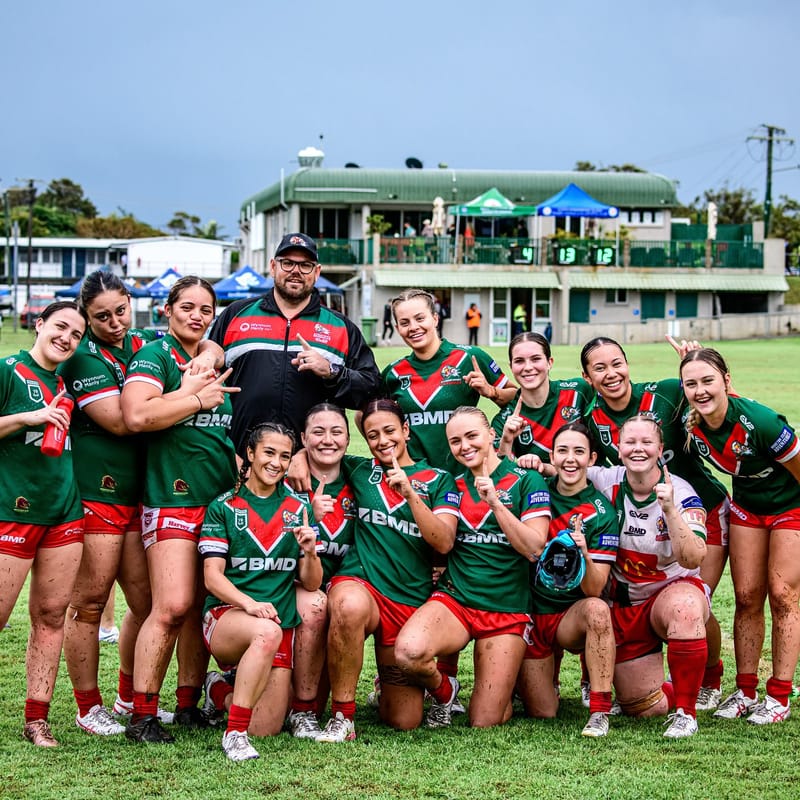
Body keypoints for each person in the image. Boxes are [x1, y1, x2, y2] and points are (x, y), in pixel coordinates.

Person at [580, 336, 729, 710]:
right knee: (625, 592)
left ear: (628, 363)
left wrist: (694, 364)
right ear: (587, 377)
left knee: (696, 600)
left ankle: (709, 677)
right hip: (641, 513)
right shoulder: (589, 413)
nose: (611, 374)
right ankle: (605, 675)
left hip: (699, 508)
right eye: (599, 368)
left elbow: (720, 403)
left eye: (617, 363)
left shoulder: (664, 391)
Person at [120, 276, 239, 743]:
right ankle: (142, 715)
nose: (196, 315)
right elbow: (137, 415)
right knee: (169, 606)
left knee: (196, 610)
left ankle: (187, 705)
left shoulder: (206, 358)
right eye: (186, 306)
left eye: (205, 309)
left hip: (216, 501)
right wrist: (194, 399)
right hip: (171, 498)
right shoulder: (155, 355)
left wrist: (209, 360)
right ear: (167, 310)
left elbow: (215, 360)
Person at [394, 407, 550, 729]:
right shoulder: (451, 484)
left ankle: (506, 684)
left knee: (484, 720)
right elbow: (443, 540)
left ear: (491, 435)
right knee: (409, 652)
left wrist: (496, 504)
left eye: (471, 436)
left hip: (505, 606)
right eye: (455, 441)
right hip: (458, 599)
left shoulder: (526, 480)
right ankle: (446, 690)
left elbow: (534, 548)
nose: (464, 446)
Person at [316, 398, 459, 742]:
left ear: (406, 431)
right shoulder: (361, 470)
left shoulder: (438, 479)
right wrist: (295, 461)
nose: (382, 441)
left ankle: (442, 691)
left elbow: (443, 542)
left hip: (407, 599)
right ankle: (342, 717)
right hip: (361, 582)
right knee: (347, 605)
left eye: (390, 431)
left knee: (403, 720)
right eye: (373, 434)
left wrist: (411, 494)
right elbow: (318, 454)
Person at [680, 348, 800, 724]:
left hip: (790, 506)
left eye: (708, 380)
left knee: (782, 595)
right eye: (691, 383)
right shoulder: (690, 423)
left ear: (727, 381)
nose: (700, 390)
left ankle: (779, 695)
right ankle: (745, 691)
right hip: (748, 508)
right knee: (747, 596)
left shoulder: (762, 422)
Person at [199, 423, 322, 761]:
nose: (276, 463)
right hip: (228, 617)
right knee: (267, 632)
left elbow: (311, 584)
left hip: (273, 622)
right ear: (250, 454)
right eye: (268, 452)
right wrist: (249, 604)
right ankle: (234, 735)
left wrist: (310, 552)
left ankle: (218, 688)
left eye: (284, 456)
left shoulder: (298, 508)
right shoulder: (223, 507)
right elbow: (213, 578)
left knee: (266, 725)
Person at [589, 415, 708, 739]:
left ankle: (686, 712)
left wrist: (669, 510)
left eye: (646, 443)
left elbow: (694, 556)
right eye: (630, 442)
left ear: (660, 449)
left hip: (670, 591)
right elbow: (563, 469)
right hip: (626, 603)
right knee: (643, 706)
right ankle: (671, 687)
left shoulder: (680, 492)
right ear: (618, 446)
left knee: (685, 608)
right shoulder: (604, 479)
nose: (637, 449)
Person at [0, 301, 86, 747]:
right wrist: (25, 418)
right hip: (11, 510)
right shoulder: (8, 370)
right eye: (60, 327)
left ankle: (37, 719)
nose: (67, 338)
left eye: (75, 334)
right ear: (39, 324)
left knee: (51, 615)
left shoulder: (66, 385)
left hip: (64, 513)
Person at [209, 233, 380, 454]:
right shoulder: (236, 315)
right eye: (287, 263)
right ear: (273, 267)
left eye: (305, 265)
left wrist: (332, 372)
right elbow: (207, 377)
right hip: (241, 460)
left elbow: (371, 389)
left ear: (317, 272)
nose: (296, 271)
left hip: (310, 466)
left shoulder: (341, 327)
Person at [517, 422, 619, 738]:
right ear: (552, 455)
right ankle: (542, 678)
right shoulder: (535, 490)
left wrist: (585, 552)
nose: (570, 459)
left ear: (592, 459)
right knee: (542, 711)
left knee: (598, 611)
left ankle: (600, 710)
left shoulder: (601, 511)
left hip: (568, 618)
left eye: (579, 452)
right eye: (562, 451)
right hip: (531, 612)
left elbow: (594, 589)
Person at [381, 288, 517, 475]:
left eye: (420, 319)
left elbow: (517, 397)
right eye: (404, 323)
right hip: (417, 481)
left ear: (435, 319)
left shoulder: (469, 357)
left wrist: (491, 391)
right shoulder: (392, 373)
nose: (413, 327)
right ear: (397, 329)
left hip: (465, 478)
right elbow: (366, 417)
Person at [282, 403, 355, 739]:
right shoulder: (284, 478)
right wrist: (306, 517)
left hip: (342, 591)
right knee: (314, 605)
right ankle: (302, 711)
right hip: (292, 589)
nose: (328, 440)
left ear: (349, 438)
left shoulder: (361, 475)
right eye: (318, 432)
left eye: (336, 431)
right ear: (302, 439)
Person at [492, 332, 593, 463]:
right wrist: (506, 441)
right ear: (511, 367)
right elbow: (502, 477)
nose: (528, 367)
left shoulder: (579, 391)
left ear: (549, 362)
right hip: (539, 484)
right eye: (519, 361)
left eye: (535, 359)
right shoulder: (504, 421)